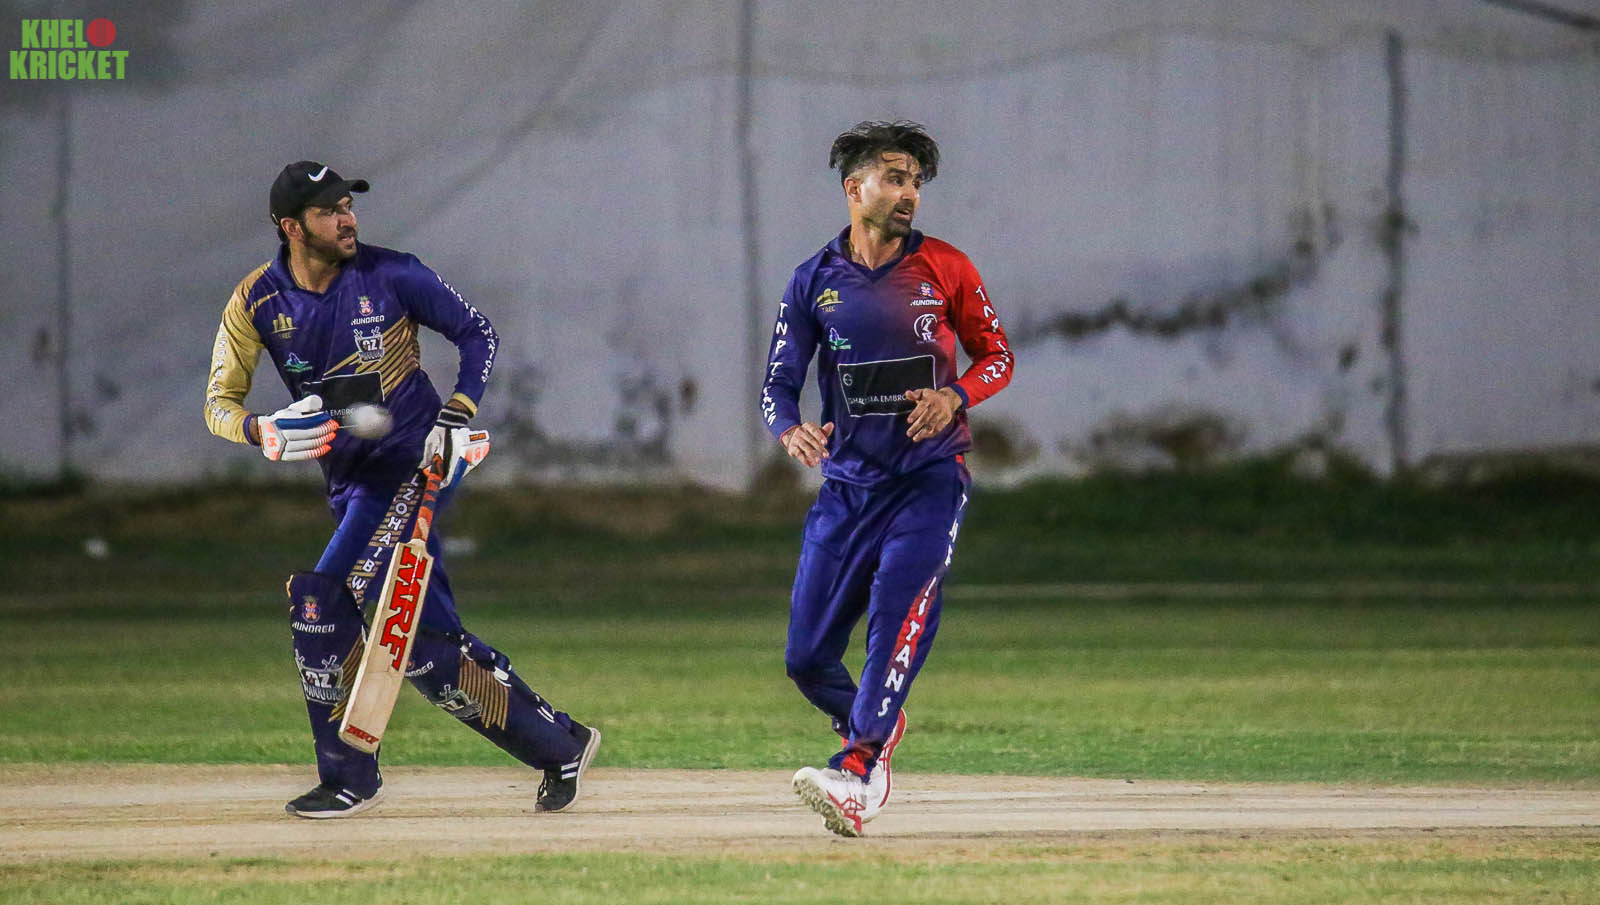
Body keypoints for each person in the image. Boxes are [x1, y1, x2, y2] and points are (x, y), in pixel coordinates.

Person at [204, 161, 601, 818]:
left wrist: (457, 414)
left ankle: (348, 776)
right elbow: (219, 402)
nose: (348, 219)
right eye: (330, 211)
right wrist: (259, 431)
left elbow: (478, 333)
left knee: (321, 601)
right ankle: (560, 745)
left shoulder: (393, 275)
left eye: (348, 205)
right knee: (425, 648)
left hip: (415, 469)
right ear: (291, 227)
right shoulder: (256, 302)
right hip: (351, 485)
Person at [761, 121, 1015, 837]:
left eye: (916, 182)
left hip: (929, 482)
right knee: (806, 658)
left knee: (895, 621)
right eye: (895, 178)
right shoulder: (813, 280)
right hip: (847, 490)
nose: (910, 194)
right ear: (855, 188)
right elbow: (777, 385)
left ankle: (859, 770)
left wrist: (954, 396)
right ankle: (874, 722)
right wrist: (790, 429)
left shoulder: (947, 266)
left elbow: (997, 357)